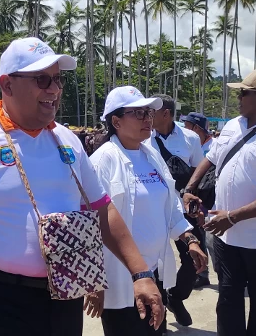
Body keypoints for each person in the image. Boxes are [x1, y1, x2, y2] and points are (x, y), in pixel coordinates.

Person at [0, 37, 164, 336]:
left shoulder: (67, 140)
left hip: (63, 294)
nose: (54, 89)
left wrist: (141, 273)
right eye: (42, 79)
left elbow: (102, 210)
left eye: (57, 79)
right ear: (7, 85)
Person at [183, 68, 256, 336]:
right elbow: (212, 157)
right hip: (227, 241)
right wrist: (190, 188)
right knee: (228, 303)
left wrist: (233, 216)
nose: (238, 98)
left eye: (243, 93)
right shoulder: (234, 124)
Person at [87, 86, 207, 336]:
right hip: (120, 277)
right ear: (116, 121)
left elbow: (170, 202)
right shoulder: (103, 161)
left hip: (154, 271)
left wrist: (189, 238)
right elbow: (92, 221)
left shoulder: (151, 155)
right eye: (138, 113)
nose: (147, 119)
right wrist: (94, 281)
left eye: (148, 113)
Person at [149, 94, 204, 327]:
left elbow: (199, 172)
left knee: (193, 258)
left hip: (182, 208)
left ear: (166, 114)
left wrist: (195, 203)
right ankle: (158, 311)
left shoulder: (190, 138)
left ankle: (176, 298)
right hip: (153, 206)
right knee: (155, 260)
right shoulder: (143, 138)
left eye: (152, 112)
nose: (147, 117)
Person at [180, 111, 215, 288]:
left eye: (186, 125)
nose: (184, 128)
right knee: (196, 234)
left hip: (209, 200)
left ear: (195, 128)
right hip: (193, 197)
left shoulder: (213, 147)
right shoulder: (190, 144)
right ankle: (200, 272)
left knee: (205, 236)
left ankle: (205, 272)